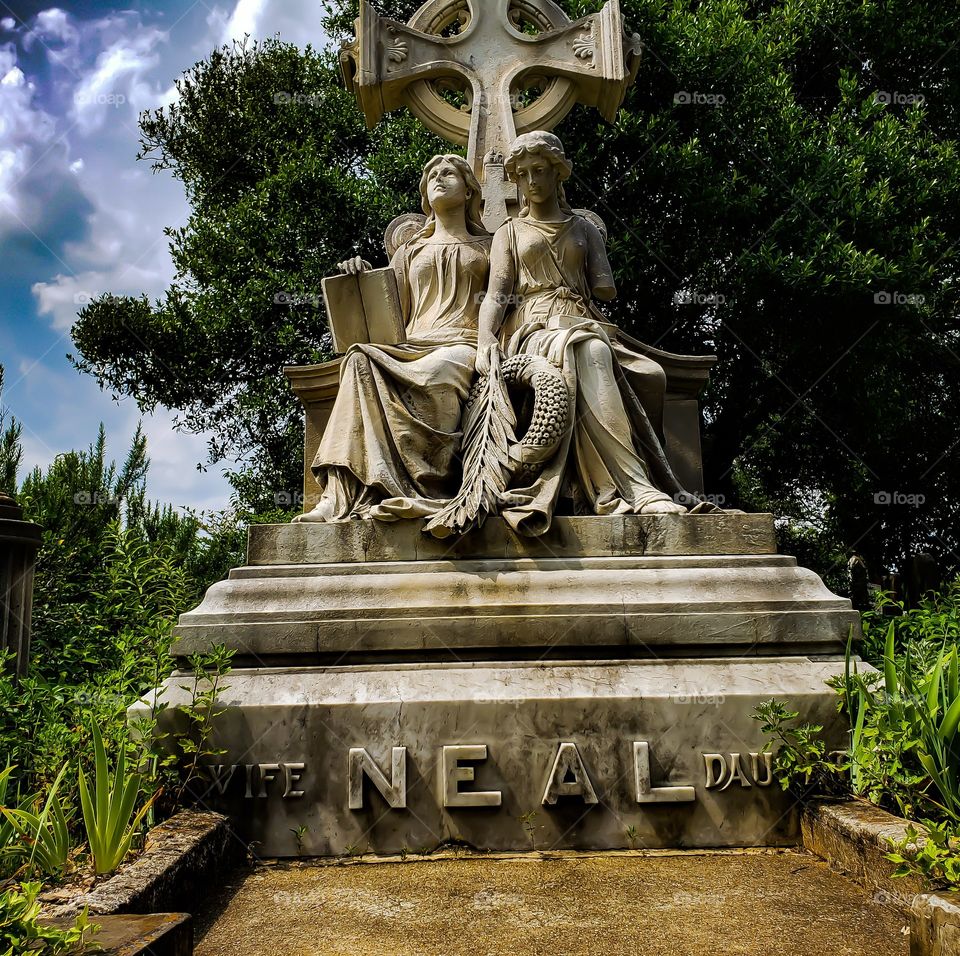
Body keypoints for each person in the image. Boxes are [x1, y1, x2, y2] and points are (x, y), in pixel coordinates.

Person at [476, 131, 688, 535]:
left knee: (650, 373)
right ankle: (633, 487)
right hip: (532, 325)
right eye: (523, 174)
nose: (532, 181)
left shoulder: (584, 228)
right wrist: (486, 338)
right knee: (589, 351)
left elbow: (602, 286)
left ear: (559, 173)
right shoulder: (509, 232)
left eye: (540, 171)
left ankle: (626, 482)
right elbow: (496, 295)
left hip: (581, 316)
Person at [295, 154, 490, 522]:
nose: (438, 178)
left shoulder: (490, 247)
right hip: (411, 344)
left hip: (462, 344)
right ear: (424, 194)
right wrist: (361, 278)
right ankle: (339, 495)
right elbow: (391, 316)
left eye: (449, 173)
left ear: (468, 192)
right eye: (431, 174)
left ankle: (428, 485)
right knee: (358, 358)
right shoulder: (410, 252)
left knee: (435, 374)